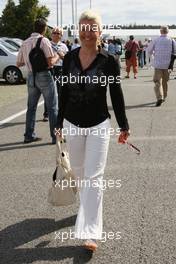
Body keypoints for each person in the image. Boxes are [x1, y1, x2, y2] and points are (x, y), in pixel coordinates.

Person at [55, 10, 130, 251]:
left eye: (92, 28)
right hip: (72, 123)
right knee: (78, 173)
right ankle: (84, 205)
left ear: (99, 31)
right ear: (79, 31)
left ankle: (90, 233)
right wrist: (57, 123)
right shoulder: (69, 58)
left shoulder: (109, 61)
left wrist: (124, 125)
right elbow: (63, 92)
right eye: (83, 28)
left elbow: (116, 94)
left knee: (94, 178)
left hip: (99, 125)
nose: (87, 33)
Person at [17, 18, 59, 144]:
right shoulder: (44, 41)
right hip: (45, 76)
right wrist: (57, 56)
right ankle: (55, 136)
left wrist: (30, 61)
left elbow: (18, 63)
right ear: (44, 28)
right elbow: (50, 63)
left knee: (31, 107)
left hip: (31, 76)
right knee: (52, 107)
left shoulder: (24, 43)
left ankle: (29, 135)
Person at [43, 27, 69, 121]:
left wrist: (63, 57)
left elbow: (68, 60)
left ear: (61, 36)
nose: (56, 34)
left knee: (60, 91)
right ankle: (46, 113)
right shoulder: (47, 44)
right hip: (50, 69)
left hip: (60, 70)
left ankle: (61, 112)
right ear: (51, 34)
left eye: (58, 33)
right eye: (54, 33)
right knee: (48, 92)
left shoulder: (64, 46)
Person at [147, 26, 176, 106]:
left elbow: (149, 50)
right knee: (165, 82)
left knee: (157, 82)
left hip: (158, 64)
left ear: (160, 31)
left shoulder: (156, 40)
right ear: (167, 32)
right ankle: (164, 96)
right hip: (168, 65)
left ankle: (160, 97)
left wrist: (153, 57)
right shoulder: (172, 40)